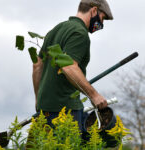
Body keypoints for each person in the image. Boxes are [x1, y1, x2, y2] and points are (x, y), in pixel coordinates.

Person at [33, 0, 113, 132]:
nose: (102, 24)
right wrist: (94, 96)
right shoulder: (80, 33)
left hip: (45, 110)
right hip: (66, 111)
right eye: (103, 18)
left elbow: (37, 65)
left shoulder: (57, 29)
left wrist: (39, 99)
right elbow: (69, 67)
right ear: (93, 11)